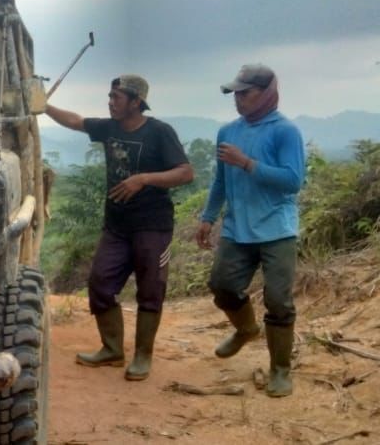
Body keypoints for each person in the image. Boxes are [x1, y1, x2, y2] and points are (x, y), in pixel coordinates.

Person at [45, 75, 193, 381]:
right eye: (110, 97)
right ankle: (112, 349)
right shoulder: (109, 128)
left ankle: (142, 355)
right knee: (100, 283)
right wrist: (43, 106)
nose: (111, 102)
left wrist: (144, 179)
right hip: (116, 225)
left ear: (136, 102)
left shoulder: (160, 132)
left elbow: (185, 172)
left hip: (152, 225)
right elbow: (75, 121)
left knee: (150, 289)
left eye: (117, 98)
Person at [195, 64, 305, 398]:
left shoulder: (285, 132)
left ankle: (280, 370)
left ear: (268, 93)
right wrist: (208, 216)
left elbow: (293, 181)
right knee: (222, 286)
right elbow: (219, 181)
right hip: (237, 228)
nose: (238, 99)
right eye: (235, 93)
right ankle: (245, 328)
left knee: (278, 300)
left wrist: (247, 163)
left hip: (277, 229)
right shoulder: (228, 132)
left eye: (245, 93)